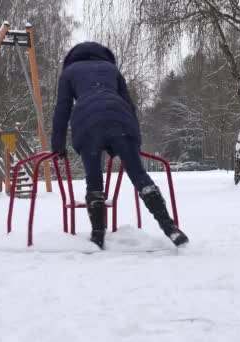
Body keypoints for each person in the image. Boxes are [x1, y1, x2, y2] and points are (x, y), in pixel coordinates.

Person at [51, 42, 189, 249]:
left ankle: (98, 235)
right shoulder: (111, 69)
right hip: (121, 121)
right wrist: (134, 141)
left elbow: (62, 110)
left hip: (88, 125)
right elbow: (129, 104)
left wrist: (57, 145)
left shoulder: (69, 72)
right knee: (139, 176)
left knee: (94, 179)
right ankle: (170, 228)